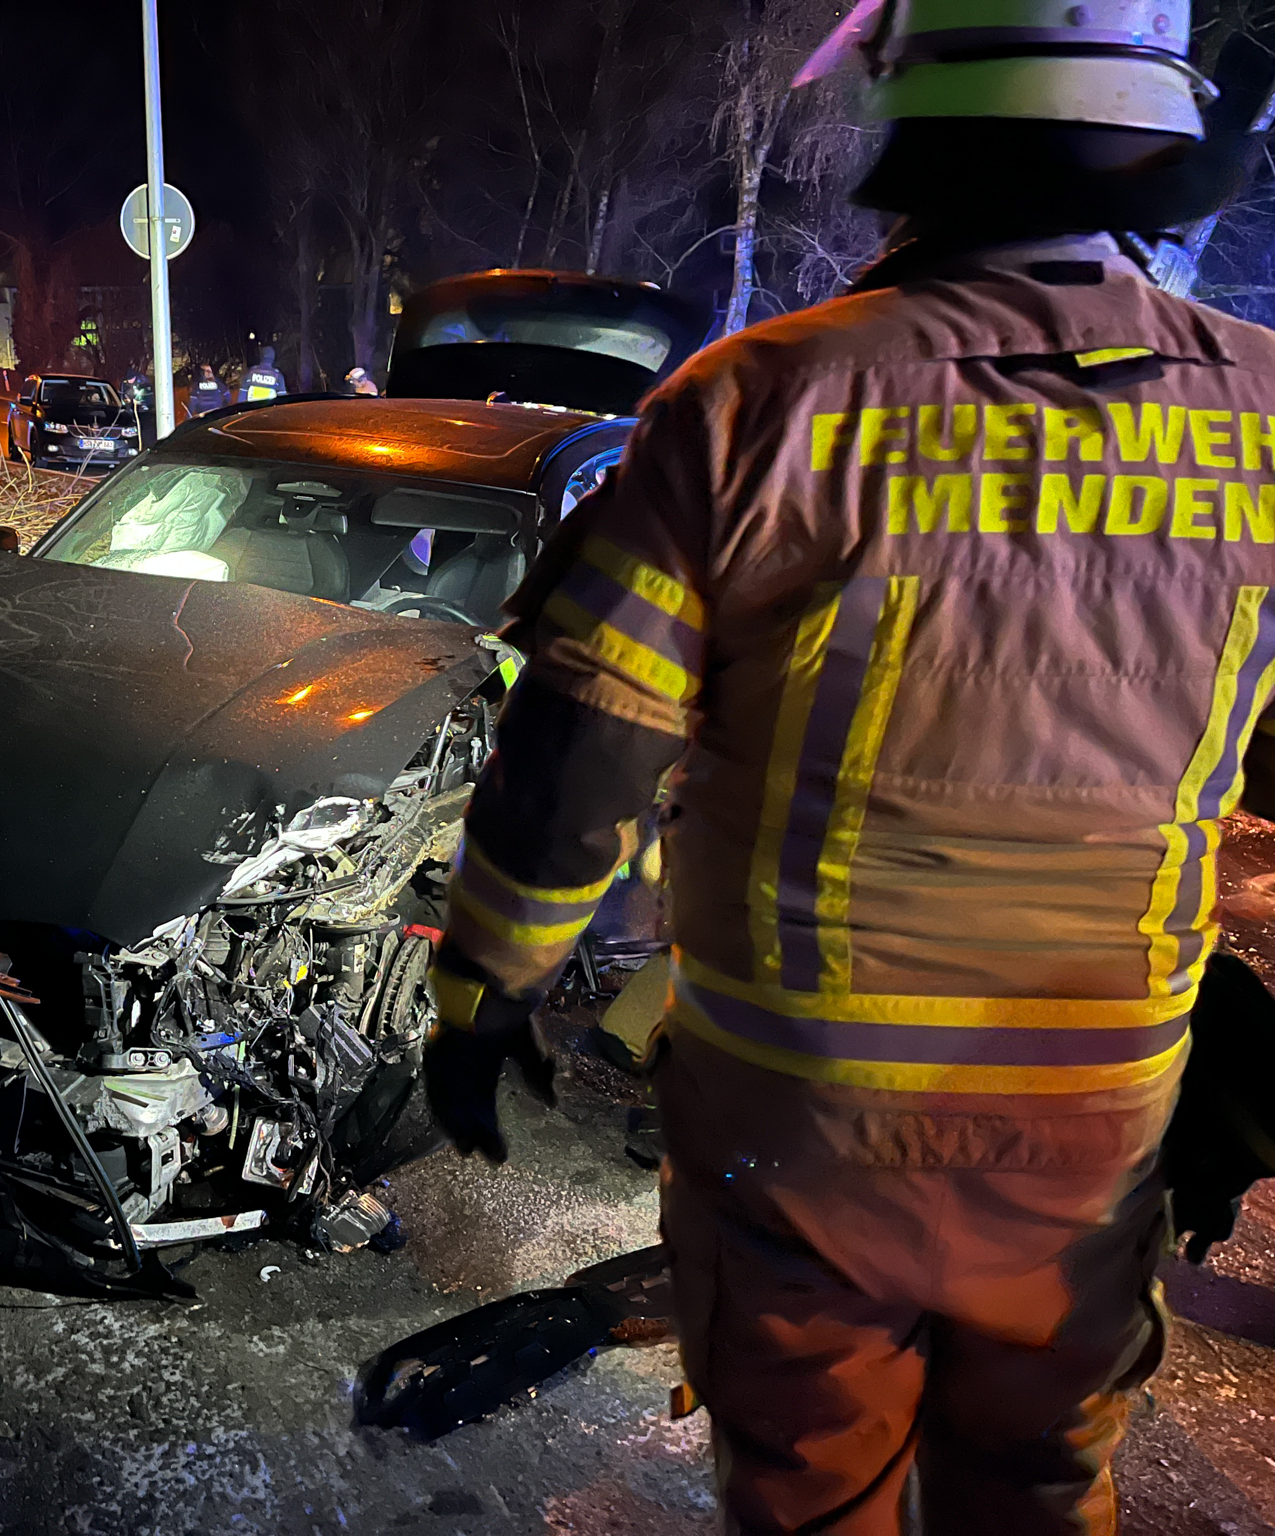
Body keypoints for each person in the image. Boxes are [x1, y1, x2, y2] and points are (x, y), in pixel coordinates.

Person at [422, 3, 1275, 1531]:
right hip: (1097, 1102)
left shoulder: (757, 402)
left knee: (814, 1487)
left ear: (918, 136)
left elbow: (582, 751)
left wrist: (485, 981)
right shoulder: (1263, 413)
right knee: (1036, 1482)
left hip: (805, 1112)